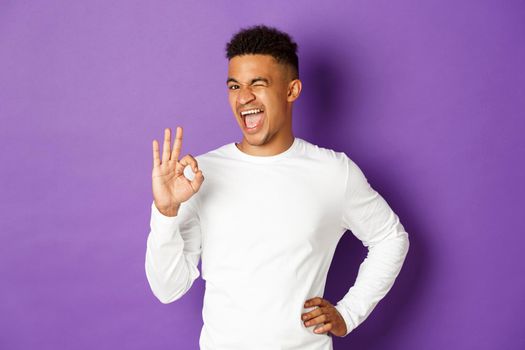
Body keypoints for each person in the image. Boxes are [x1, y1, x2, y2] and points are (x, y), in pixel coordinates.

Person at [145, 25, 409, 350]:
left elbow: (390, 238)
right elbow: (167, 288)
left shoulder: (333, 172)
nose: (243, 98)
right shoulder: (200, 174)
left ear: (292, 90)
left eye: (258, 83)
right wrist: (166, 211)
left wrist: (349, 313)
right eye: (234, 86)